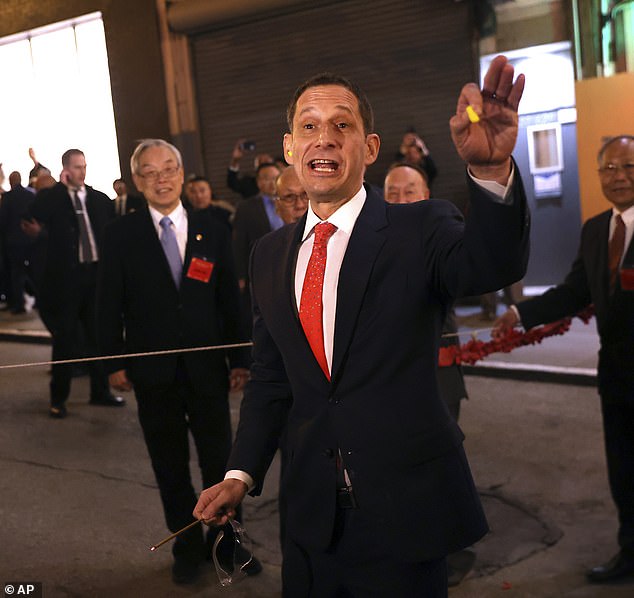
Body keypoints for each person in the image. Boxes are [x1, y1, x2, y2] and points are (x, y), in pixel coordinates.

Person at [193, 55, 528, 596]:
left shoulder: (420, 226)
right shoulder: (269, 255)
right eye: (309, 126)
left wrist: (490, 173)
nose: (323, 139)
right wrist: (240, 474)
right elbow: (272, 378)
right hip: (309, 517)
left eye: (342, 125)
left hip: (406, 513)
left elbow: (492, 265)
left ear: (368, 149)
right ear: (289, 148)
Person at [97, 139, 261, 585]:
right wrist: (113, 360)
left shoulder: (213, 226)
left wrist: (240, 357)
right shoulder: (120, 235)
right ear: (137, 182)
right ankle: (187, 545)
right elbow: (108, 301)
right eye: (150, 172)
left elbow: (231, 301)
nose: (161, 178)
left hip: (208, 371)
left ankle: (229, 541)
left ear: (183, 173)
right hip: (153, 375)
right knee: (168, 463)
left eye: (169, 168)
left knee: (221, 461)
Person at [493, 134, 634, 585]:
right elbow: (575, 292)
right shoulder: (596, 230)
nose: (620, 177)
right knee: (624, 472)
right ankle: (630, 550)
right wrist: (520, 312)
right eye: (610, 168)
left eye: (629, 166)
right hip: (615, 378)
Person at [23, 149, 124, 418]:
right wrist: (60, 187)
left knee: (97, 336)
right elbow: (33, 212)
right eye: (77, 167)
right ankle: (58, 398)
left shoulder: (98, 200)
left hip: (96, 277)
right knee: (65, 339)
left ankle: (100, 392)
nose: (82, 171)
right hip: (67, 281)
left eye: (85, 166)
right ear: (67, 169)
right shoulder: (54, 199)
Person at [0, 171, 35, 314]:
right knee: (30, 271)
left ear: (10, 181)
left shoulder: (7, 197)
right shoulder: (30, 195)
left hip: (12, 242)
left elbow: (3, 220)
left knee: (15, 273)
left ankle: (17, 303)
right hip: (30, 240)